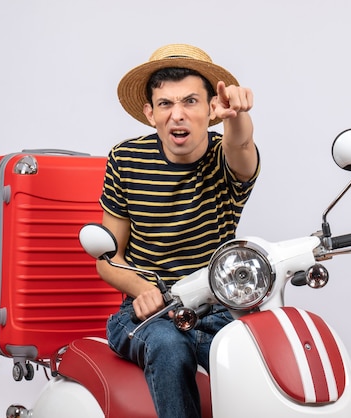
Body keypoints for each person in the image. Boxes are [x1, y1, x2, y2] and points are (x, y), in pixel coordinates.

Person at [97, 44, 259, 418]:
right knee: (169, 348)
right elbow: (108, 260)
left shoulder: (224, 157)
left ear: (209, 110)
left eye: (190, 101)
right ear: (150, 113)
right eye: (166, 104)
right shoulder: (126, 159)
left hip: (219, 309)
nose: (178, 115)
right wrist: (142, 289)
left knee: (259, 354)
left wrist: (237, 115)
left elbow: (242, 146)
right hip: (147, 314)